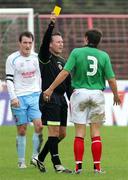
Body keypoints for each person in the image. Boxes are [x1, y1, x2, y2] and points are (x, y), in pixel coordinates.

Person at [43, 29, 121, 174]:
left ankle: (78, 167)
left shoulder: (76, 52)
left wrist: (50, 88)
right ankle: (97, 168)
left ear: (86, 39)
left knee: (79, 132)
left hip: (79, 94)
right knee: (95, 132)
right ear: (99, 41)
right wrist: (116, 95)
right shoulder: (104, 56)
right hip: (97, 95)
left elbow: (65, 72)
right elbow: (111, 79)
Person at [33, 13, 72, 173]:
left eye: (62, 42)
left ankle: (39, 158)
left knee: (62, 134)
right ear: (50, 45)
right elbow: (43, 41)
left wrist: (72, 101)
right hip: (49, 97)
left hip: (61, 100)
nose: (61, 44)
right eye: (58, 42)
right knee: (53, 132)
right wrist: (51, 25)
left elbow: (68, 85)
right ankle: (57, 165)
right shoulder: (45, 57)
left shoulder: (64, 61)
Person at [5, 31, 43, 168]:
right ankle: (21, 161)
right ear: (19, 43)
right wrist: (13, 97)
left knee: (39, 126)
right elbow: (9, 80)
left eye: (30, 43)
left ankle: (35, 158)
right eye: (25, 43)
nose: (27, 45)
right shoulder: (12, 59)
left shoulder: (36, 58)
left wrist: (42, 93)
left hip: (34, 96)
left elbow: (40, 77)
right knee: (22, 129)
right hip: (19, 97)